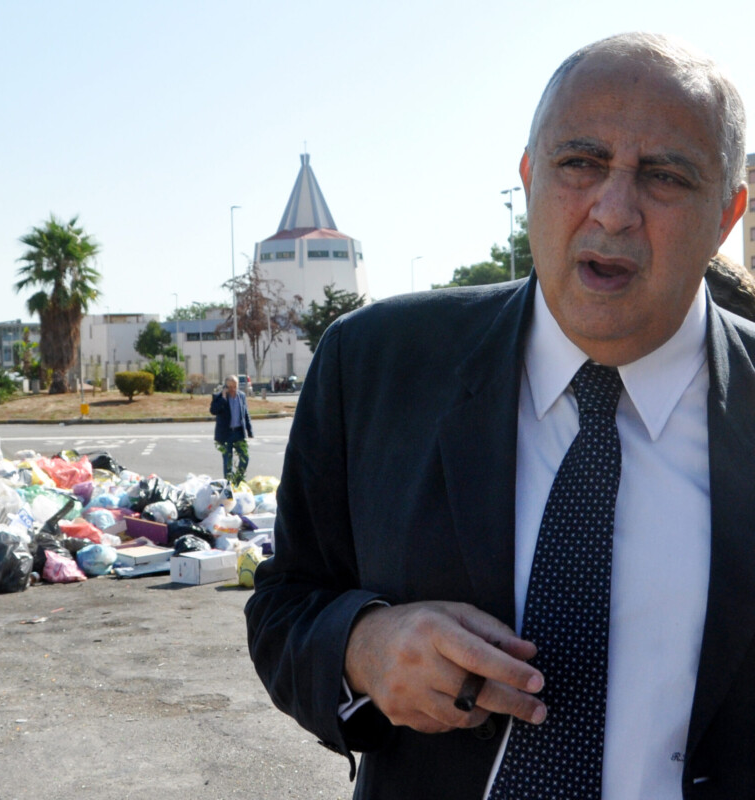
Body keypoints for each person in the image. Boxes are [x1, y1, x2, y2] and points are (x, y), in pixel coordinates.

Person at [245, 32, 755, 799]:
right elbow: (285, 605)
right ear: (528, 178)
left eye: (665, 176)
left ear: (729, 212)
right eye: (579, 163)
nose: (613, 211)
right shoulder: (373, 366)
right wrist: (362, 645)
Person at [210, 375, 253, 484]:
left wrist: (249, 430)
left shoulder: (241, 396)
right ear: (226, 387)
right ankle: (228, 485)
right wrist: (224, 397)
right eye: (230, 387)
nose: (233, 389)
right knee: (227, 462)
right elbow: (213, 410)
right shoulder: (219, 397)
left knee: (245, 457)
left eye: (235, 386)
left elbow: (245, 414)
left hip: (238, 432)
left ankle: (238, 481)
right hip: (226, 434)